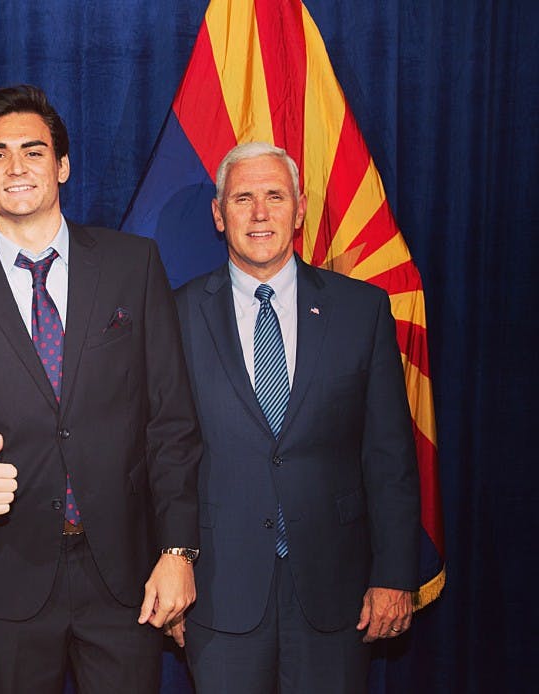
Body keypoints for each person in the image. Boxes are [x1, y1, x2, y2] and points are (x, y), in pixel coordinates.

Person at [0, 84, 202, 694]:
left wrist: (179, 552)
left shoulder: (133, 266)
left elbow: (171, 423)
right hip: (9, 577)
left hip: (127, 575)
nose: (15, 168)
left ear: (62, 166)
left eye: (33, 151)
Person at [173, 141, 421, 693]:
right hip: (219, 590)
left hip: (337, 591)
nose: (260, 214)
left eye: (274, 196)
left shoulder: (362, 310)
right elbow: (159, 457)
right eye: (242, 198)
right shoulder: (175, 314)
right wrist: (166, 570)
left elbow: (389, 456)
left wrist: (394, 574)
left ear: (300, 208)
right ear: (218, 214)